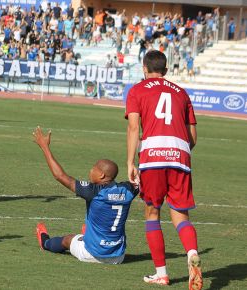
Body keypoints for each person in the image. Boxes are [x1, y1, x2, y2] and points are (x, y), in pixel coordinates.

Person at [125, 50, 201, 289]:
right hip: (180, 156)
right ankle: (191, 253)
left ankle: (162, 274)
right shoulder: (182, 92)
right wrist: (176, 151)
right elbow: (193, 137)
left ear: (144, 69)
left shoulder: (137, 90)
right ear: (166, 71)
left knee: (152, 212)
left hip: (153, 157)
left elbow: (134, 128)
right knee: (180, 213)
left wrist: (130, 162)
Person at [33, 126, 138, 264]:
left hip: (92, 254)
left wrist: (44, 147)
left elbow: (60, 176)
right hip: (119, 257)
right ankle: (88, 234)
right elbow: (140, 179)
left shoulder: (94, 191)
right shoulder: (128, 190)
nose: (90, 170)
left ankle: (45, 243)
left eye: (94, 168)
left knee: (68, 240)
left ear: (101, 175)